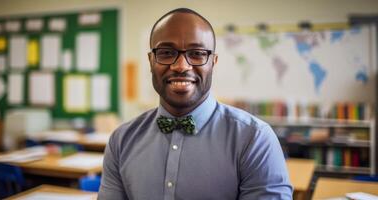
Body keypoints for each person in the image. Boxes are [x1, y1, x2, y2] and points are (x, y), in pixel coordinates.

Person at [98, 8, 293, 200]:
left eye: (197, 53)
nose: (181, 66)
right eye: (166, 52)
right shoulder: (121, 141)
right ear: (151, 61)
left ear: (213, 63)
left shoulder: (255, 140)